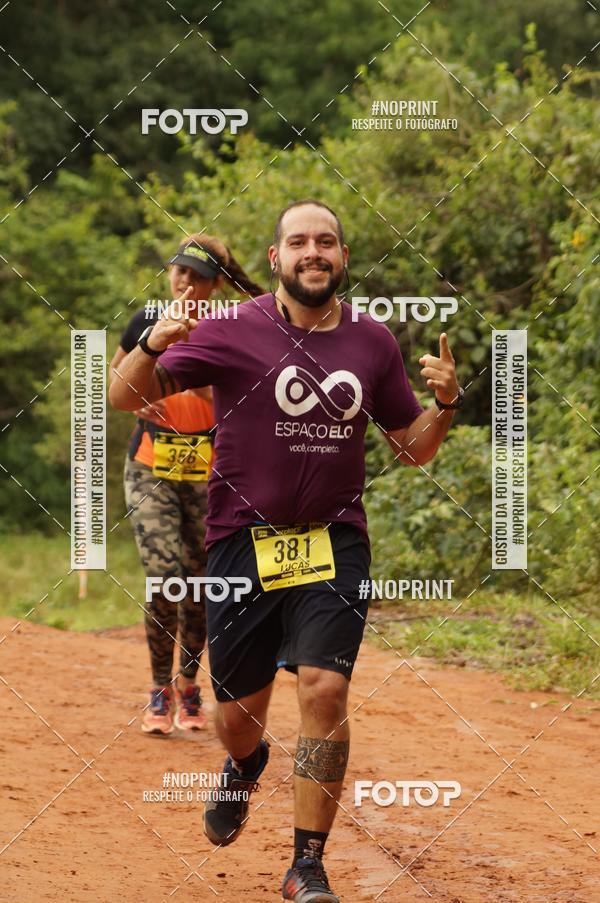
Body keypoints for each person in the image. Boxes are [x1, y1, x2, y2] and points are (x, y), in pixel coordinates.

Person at [109, 200, 462, 900]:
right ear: (276, 258)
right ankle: (245, 765)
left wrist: (445, 406)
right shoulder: (232, 329)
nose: (313, 252)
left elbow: (411, 448)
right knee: (234, 719)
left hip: (335, 540)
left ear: (343, 256)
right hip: (241, 542)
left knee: (325, 689)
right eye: (298, 242)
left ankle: (307, 863)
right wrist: (150, 346)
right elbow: (122, 395)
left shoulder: (372, 341)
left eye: (326, 241)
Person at [109, 234, 264, 736]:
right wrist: (140, 393)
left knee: (198, 584)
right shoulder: (146, 321)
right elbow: (116, 379)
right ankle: (160, 688)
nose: (186, 283)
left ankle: (189, 684)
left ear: (217, 285)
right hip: (150, 466)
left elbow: (245, 398)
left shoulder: (229, 330)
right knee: (163, 578)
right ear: (169, 273)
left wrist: (196, 382)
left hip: (207, 471)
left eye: (199, 277)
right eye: (180, 272)